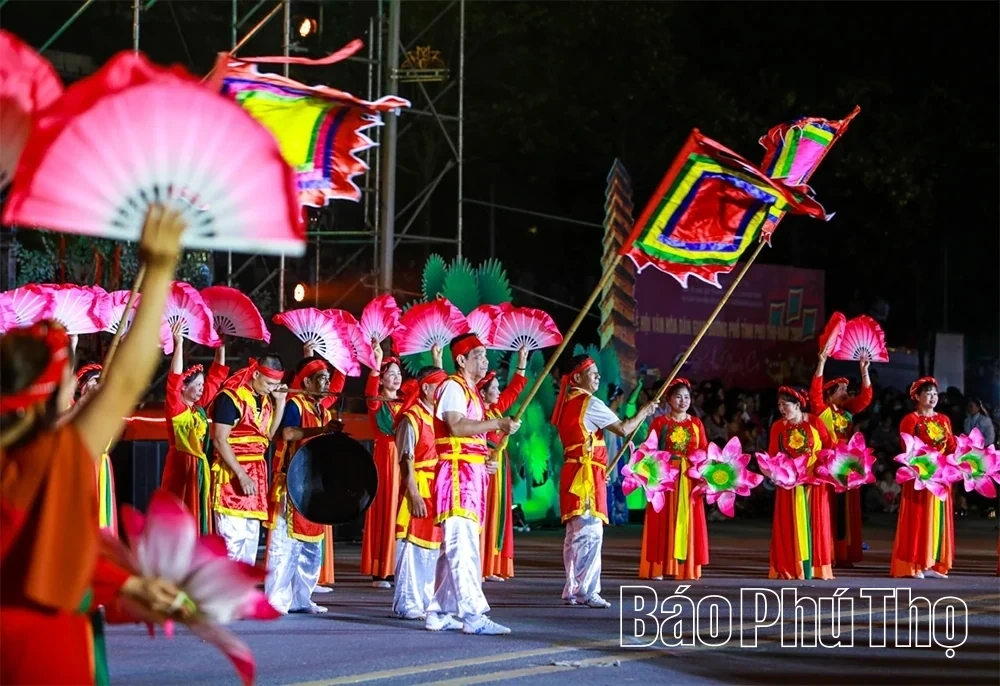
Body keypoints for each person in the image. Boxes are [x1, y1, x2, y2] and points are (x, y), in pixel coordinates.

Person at [0, 205, 190, 684]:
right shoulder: (53, 455)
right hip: (48, 653)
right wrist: (162, 265)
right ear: (52, 394)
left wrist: (125, 582)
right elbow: (125, 380)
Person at [425, 333, 519, 635]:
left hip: (470, 474)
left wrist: (486, 458)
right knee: (462, 546)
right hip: (456, 476)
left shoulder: (471, 391)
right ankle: (474, 615)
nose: (485, 359)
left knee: (453, 547)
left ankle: (438, 611)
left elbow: (472, 437)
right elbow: (455, 425)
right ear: (462, 359)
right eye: (478, 354)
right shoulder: (453, 386)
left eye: (485, 353)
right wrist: (498, 424)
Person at [552, 354, 655, 608]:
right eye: (593, 373)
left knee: (575, 535)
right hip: (585, 477)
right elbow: (623, 427)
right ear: (577, 377)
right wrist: (645, 410)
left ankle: (572, 587)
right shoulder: (589, 402)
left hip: (576, 472)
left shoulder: (567, 403)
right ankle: (586, 590)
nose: (598, 376)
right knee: (590, 533)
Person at [264, 354, 343, 614]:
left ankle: (301, 598)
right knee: (286, 545)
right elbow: (287, 433)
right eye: (321, 379)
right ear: (306, 382)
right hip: (292, 481)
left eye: (328, 379)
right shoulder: (295, 404)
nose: (325, 384)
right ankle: (276, 598)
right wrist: (321, 431)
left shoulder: (323, 410)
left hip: (314, 484)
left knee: (311, 546)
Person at [211, 353, 286, 564]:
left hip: (257, 475)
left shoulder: (266, 400)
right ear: (255, 373)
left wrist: (280, 403)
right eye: (270, 383)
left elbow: (268, 436)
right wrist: (242, 475)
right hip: (233, 474)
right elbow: (219, 440)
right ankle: (224, 595)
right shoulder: (230, 397)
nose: (272, 388)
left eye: (276, 384)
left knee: (250, 541)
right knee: (231, 541)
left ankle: (244, 593)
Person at [159, 322, 229, 534]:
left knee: (196, 513)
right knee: (177, 512)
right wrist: (179, 343)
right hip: (180, 465)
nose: (201, 390)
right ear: (184, 388)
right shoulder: (176, 406)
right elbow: (174, 379)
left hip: (198, 467)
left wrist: (220, 345)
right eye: (196, 385)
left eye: (201, 386)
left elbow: (217, 377)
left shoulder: (198, 409)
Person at [393, 358, 447, 620]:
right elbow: (406, 458)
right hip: (419, 486)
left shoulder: (439, 418)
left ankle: (427, 599)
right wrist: (413, 493)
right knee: (413, 547)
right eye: (440, 387)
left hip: (437, 488)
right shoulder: (411, 419)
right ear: (426, 388)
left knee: (431, 549)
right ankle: (407, 602)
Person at [639, 378, 709, 580]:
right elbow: (650, 449)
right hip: (666, 475)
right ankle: (659, 566)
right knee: (662, 518)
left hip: (689, 478)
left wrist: (706, 475)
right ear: (668, 399)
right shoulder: (660, 422)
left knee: (688, 520)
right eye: (678, 397)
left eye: (687, 397)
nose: (683, 401)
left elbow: (704, 451)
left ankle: (685, 567)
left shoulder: (696, 423)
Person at [809, 354, 873, 567]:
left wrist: (864, 370)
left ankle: (844, 553)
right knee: (830, 510)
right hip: (828, 467)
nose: (846, 393)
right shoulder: (822, 410)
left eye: (846, 390)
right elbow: (815, 392)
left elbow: (865, 398)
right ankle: (828, 552)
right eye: (841, 390)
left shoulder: (847, 412)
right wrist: (821, 362)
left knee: (846, 511)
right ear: (829, 395)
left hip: (847, 467)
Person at [890, 377, 956, 579]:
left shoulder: (944, 420)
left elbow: (951, 445)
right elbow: (906, 448)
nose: (933, 397)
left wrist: (959, 461)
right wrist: (925, 463)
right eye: (928, 393)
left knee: (936, 518)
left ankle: (932, 563)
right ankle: (915, 563)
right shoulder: (911, 420)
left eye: (935, 393)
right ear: (917, 396)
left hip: (940, 477)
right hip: (919, 476)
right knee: (919, 519)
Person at [767, 386, 835, 580]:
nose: (781, 408)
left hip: (814, 481)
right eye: (779, 404)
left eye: (785, 404)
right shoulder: (778, 427)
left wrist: (821, 469)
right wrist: (778, 472)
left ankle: (814, 567)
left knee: (815, 523)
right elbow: (773, 455)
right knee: (789, 524)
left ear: (797, 405)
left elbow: (828, 448)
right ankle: (790, 565)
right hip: (789, 483)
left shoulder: (814, 422)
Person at [477, 346, 528, 581]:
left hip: (500, 467)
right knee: (484, 515)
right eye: (494, 389)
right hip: (483, 468)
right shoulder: (477, 413)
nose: (498, 392)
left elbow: (515, 390)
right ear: (483, 393)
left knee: (498, 515)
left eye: (498, 388)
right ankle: (481, 565)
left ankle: (493, 564)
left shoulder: (497, 410)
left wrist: (521, 363)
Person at [363, 341, 403, 588]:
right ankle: (380, 569)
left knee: (401, 510)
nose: (397, 378)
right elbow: (369, 390)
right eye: (391, 374)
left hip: (404, 455)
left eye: (399, 374)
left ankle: (397, 565)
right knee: (385, 508)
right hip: (386, 456)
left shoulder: (405, 402)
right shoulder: (376, 402)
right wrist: (376, 364)